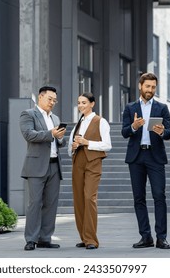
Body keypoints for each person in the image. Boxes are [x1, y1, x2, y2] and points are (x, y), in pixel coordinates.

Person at [121, 72, 170, 249]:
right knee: (139, 198)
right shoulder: (130, 108)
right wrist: (134, 127)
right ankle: (146, 236)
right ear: (140, 86)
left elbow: (169, 133)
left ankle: (161, 237)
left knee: (159, 195)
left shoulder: (162, 108)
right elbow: (124, 132)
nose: (150, 90)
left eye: (153, 87)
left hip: (155, 156)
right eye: (147, 86)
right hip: (136, 157)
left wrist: (162, 132)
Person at [19, 85, 66, 251]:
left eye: (55, 100)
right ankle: (31, 239)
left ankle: (45, 238)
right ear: (40, 97)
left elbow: (59, 141)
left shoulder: (55, 118)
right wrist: (51, 134)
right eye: (50, 99)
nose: (52, 102)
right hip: (36, 166)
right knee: (35, 203)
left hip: (54, 165)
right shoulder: (28, 114)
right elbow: (29, 135)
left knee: (50, 204)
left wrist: (60, 138)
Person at [67, 92, 112, 250]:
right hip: (78, 162)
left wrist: (87, 142)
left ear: (92, 104)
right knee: (78, 200)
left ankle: (91, 239)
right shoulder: (78, 123)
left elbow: (107, 145)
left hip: (93, 162)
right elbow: (69, 148)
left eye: (84, 103)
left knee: (89, 198)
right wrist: (72, 146)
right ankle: (84, 237)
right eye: (79, 103)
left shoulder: (101, 121)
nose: (80, 106)